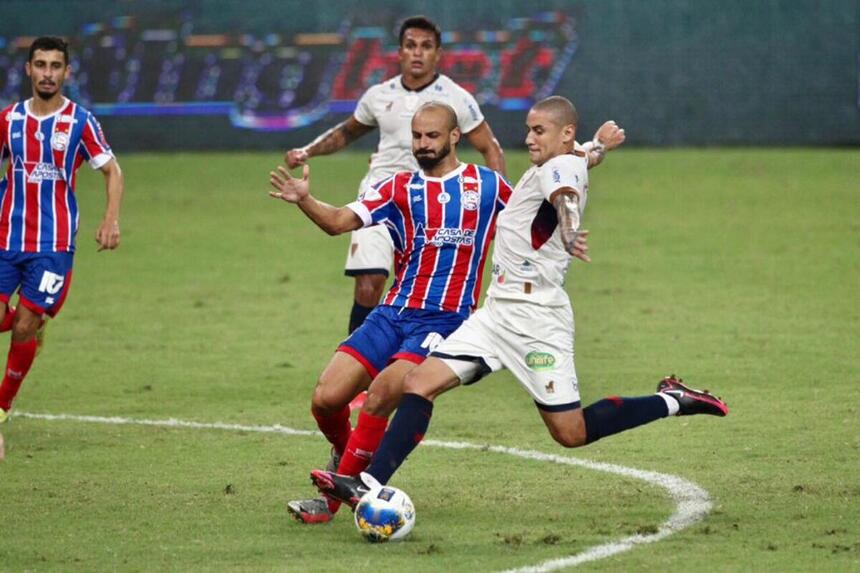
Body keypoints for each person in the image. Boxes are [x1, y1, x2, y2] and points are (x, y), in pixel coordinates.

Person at [308, 96, 729, 509]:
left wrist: (569, 230)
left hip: (537, 320)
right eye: (528, 129)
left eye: (538, 130)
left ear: (564, 134)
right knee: (419, 383)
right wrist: (598, 146)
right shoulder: (562, 157)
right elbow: (582, 158)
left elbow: (565, 196)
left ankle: (674, 400)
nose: (528, 138)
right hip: (494, 315)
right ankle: (367, 482)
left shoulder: (560, 167)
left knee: (570, 431)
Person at [270, 102, 520, 522]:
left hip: (444, 320)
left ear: (454, 137)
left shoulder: (488, 185)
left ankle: (332, 501)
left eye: (432, 136)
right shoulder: (397, 188)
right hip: (391, 313)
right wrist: (304, 200)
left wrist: (565, 230)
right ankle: (345, 452)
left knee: (384, 393)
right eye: (417, 136)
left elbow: (529, 221)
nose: (422, 144)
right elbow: (337, 222)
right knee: (325, 399)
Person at [284, 15, 506, 335]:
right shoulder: (379, 94)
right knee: (369, 284)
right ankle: (358, 369)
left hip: (433, 203)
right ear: (400, 52)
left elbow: (491, 148)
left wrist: (495, 209)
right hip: (381, 194)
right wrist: (308, 150)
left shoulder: (456, 97)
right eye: (410, 45)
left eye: (426, 46)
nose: (417, 53)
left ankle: (410, 359)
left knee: (423, 290)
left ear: (437, 54)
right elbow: (346, 133)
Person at [0, 37, 123, 445]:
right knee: (14, 321)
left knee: (25, 325)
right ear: (28, 70)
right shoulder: (9, 120)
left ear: (66, 72)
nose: (48, 73)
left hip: (53, 245)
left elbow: (111, 170)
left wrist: (110, 219)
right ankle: (26, 324)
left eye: (56, 66)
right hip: (5, 238)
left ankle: (2, 405)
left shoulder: (80, 122)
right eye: (41, 65)